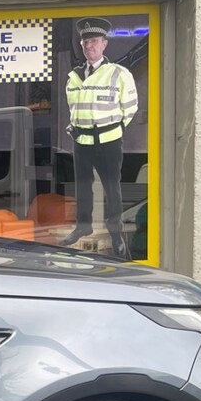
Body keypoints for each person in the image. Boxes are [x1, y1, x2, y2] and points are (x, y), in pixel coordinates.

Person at [61, 17, 138, 258]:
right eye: (85, 43)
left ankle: (115, 234)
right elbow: (73, 108)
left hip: (108, 140)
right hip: (81, 141)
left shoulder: (119, 73)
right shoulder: (74, 76)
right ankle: (82, 226)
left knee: (111, 188)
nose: (89, 46)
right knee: (83, 187)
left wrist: (113, 129)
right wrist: (74, 126)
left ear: (104, 44)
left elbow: (131, 107)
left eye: (94, 41)